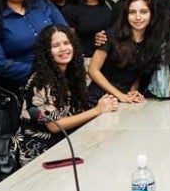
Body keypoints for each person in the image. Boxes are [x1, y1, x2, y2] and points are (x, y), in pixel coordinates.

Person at [14, 25, 118, 166]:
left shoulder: (72, 73)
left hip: (66, 143)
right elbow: (54, 126)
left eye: (66, 43)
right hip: (39, 152)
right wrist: (97, 110)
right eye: (56, 45)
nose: (63, 49)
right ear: (47, 51)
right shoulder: (41, 79)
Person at [87, 0, 163, 104]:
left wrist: (133, 92)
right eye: (132, 12)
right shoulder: (110, 36)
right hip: (98, 98)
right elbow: (93, 70)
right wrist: (120, 95)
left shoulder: (150, 42)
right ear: (126, 15)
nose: (138, 17)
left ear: (151, 14)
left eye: (143, 12)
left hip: (124, 101)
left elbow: (137, 73)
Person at [61, 0, 114, 64]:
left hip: (111, 60)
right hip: (86, 62)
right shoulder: (70, 10)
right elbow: (70, 44)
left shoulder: (109, 3)